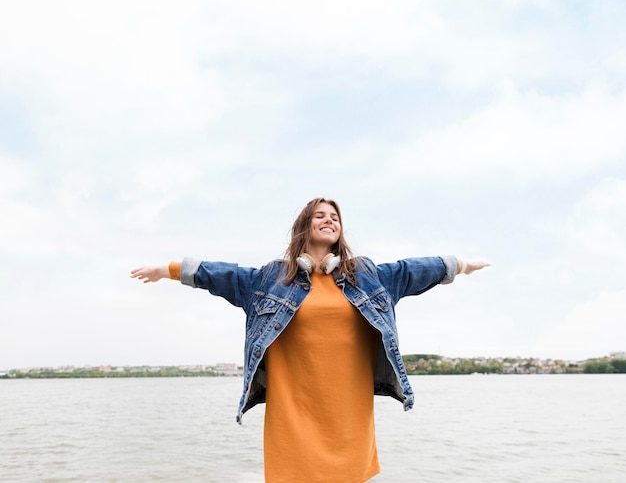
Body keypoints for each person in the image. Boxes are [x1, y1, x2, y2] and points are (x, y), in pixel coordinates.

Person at [131, 197, 489, 482]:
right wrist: (168, 270)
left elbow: (412, 270)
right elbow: (219, 274)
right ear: (305, 225)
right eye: (320, 215)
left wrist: (459, 264)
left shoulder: (366, 275)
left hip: (347, 414)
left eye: (334, 216)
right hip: (293, 414)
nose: (329, 219)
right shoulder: (271, 279)